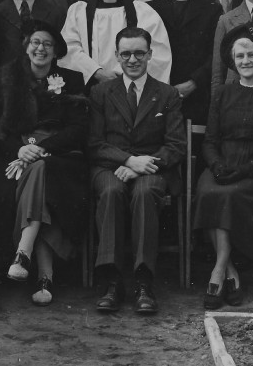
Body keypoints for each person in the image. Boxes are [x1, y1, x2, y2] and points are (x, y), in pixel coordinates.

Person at [88, 27, 186, 314]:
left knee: (145, 192)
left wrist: (144, 165)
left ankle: (144, 283)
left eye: (139, 53)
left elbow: (176, 145)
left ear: (150, 55)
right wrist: (128, 162)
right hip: (110, 167)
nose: (133, 59)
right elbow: (94, 143)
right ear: (117, 56)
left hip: (154, 168)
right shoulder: (101, 92)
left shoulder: (167, 94)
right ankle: (112, 282)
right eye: (126, 53)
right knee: (111, 191)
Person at [194, 24, 253, 310]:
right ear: (232, 62)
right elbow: (210, 140)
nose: (245, 61)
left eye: (251, 55)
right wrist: (215, 165)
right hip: (223, 165)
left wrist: (247, 169)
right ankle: (231, 273)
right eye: (239, 57)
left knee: (225, 196)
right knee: (209, 191)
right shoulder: (222, 93)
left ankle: (218, 270)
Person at [0, 20, 88, 305]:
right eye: (36, 42)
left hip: (60, 156)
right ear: (26, 47)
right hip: (19, 155)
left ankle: (23, 251)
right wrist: (22, 150)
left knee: (42, 168)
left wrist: (42, 148)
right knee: (39, 175)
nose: (41, 48)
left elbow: (76, 129)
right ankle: (45, 279)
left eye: (48, 44)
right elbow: (0, 130)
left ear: (56, 50)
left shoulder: (71, 79)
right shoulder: (9, 77)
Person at [58, 0, 172, 86]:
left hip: (131, 90)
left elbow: (157, 53)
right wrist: (97, 72)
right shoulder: (78, 12)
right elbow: (69, 48)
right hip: (92, 88)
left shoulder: (144, 12)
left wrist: (121, 77)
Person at [147, 0, 222, 134]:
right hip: (157, 94)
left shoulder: (212, 10)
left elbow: (217, 52)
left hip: (196, 95)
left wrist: (193, 83)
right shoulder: (149, 9)